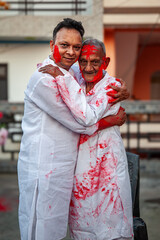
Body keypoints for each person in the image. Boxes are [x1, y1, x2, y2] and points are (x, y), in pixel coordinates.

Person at [18, 18, 129, 240]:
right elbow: (83, 121)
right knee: (40, 229)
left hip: (65, 169)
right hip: (43, 169)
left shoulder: (71, 74)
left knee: (58, 230)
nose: (71, 52)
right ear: (52, 46)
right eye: (64, 45)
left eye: (76, 47)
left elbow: (97, 75)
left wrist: (120, 87)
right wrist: (111, 121)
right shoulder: (46, 79)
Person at [41, 38, 133, 240]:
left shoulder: (113, 87)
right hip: (81, 172)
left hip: (106, 171)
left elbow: (84, 120)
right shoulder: (77, 83)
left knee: (111, 228)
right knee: (83, 228)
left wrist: (60, 77)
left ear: (105, 63)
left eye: (95, 62)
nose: (88, 67)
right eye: (83, 61)